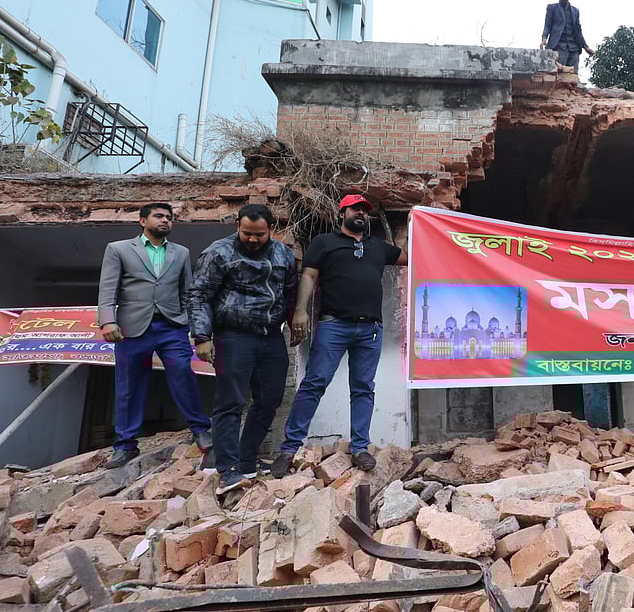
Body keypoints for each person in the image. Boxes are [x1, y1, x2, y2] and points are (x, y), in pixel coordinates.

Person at [272, 195, 407, 477]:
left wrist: (416, 223)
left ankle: (360, 448)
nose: (361, 213)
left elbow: (410, 258)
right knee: (314, 383)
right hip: (334, 325)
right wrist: (300, 311)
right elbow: (309, 276)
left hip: (370, 330)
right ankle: (289, 448)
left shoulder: (378, 247)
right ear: (341, 212)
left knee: (363, 388)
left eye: (365, 211)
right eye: (355, 209)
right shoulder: (324, 243)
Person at [188, 204, 297, 494]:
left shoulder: (284, 254)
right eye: (247, 233)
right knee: (230, 402)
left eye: (259, 234)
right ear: (237, 224)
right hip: (233, 335)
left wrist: (294, 321)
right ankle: (228, 469)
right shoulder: (218, 252)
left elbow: (290, 293)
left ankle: (247, 459)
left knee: (270, 399)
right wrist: (202, 336)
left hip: (271, 336)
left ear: (271, 229)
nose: (252, 239)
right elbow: (199, 295)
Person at [97, 203, 211, 468]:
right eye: (159, 216)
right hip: (131, 328)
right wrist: (108, 321)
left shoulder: (181, 252)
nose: (165, 221)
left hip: (172, 326)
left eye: (169, 218)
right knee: (129, 385)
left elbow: (187, 292)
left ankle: (200, 429)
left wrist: (194, 326)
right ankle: (125, 445)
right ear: (142, 221)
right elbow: (108, 288)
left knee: (183, 373)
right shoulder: (118, 249)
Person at [540, 0, 594, 72]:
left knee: (573, 76)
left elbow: (578, 31)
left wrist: (585, 47)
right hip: (558, 47)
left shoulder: (575, 11)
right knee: (558, 75)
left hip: (574, 49)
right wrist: (544, 39)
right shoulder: (552, 8)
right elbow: (547, 25)